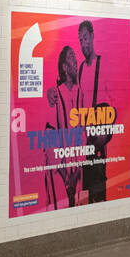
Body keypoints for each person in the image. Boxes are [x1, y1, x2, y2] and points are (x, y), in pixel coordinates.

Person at [75, 20, 115, 204]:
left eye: (86, 38)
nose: (84, 44)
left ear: (92, 36)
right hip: (86, 139)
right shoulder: (81, 69)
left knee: (99, 187)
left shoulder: (104, 64)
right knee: (87, 189)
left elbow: (114, 104)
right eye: (80, 40)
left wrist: (104, 136)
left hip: (99, 137)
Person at [46, 45, 83, 208]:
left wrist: (78, 170)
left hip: (77, 171)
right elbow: (50, 138)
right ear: (64, 67)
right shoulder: (56, 94)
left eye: (75, 57)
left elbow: (83, 134)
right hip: (60, 174)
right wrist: (65, 175)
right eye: (71, 57)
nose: (76, 60)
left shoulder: (80, 92)